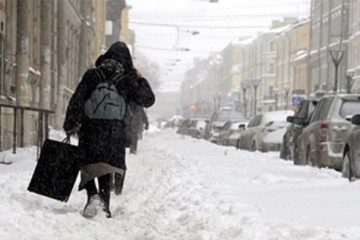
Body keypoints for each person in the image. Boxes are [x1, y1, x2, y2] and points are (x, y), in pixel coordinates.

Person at [63, 41, 155, 218]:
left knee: (87, 162)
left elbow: (77, 99)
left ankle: (93, 195)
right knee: (106, 166)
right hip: (115, 131)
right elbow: (148, 100)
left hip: (91, 127)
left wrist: (70, 124)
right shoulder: (126, 80)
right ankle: (105, 205)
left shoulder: (93, 75)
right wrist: (140, 78)